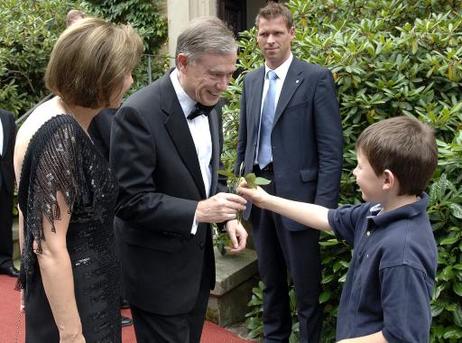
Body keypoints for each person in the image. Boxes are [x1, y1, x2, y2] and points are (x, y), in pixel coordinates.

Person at [238, 115, 438, 343]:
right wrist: (266, 201)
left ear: (387, 180)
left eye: (360, 166)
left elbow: (402, 336)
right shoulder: (375, 212)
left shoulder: (402, 252)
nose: (354, 172)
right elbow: (326, 216)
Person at [110, 16, 248, 343]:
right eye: (216, 74)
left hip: (196, 271)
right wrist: (200, 212)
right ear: (183, 62)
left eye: (230, 74)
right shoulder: (137, 113)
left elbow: (202, 178)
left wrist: (226, 216)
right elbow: (128, 201)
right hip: (156, 276)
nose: (224, 85)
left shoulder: (210, 102)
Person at [14, 17, 143, 342]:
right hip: (79, 298)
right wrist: (72, 335)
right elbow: (49, 247)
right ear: (98, 78)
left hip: (79, 286)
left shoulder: (54, 116)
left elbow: (27, 212)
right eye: (124, 72)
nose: (130, 80)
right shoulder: (61, 133)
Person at [235, 2, 343, 341]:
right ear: (256, 37)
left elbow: (330, 149)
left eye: (277, 33)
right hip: (259, 197)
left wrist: (323, 208)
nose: (270, 40)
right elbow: (245, 141)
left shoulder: (315, 79)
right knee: (270, 283)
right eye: (264, 34)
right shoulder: (251, 81)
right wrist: (241, 188)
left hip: (301, 200)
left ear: (292, 34)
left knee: (307, 290)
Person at [0, 109, 19, 277]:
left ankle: (5, 261)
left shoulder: (8, 117)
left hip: (5, 177)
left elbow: (12, 148)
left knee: (4, 220)